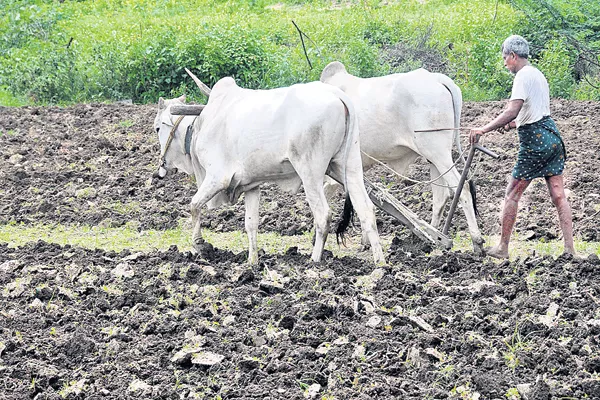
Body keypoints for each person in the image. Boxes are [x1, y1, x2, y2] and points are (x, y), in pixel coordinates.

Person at [469, 34, 575, 259]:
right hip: (552, 137)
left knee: (511, 195)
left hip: (535, 143)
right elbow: (532, 111)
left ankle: (503, 248)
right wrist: (513, 124)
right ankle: (569, 250)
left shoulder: (521, 77)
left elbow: (512, 109)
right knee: (558, 194)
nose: (505, 63)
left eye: (505, 58)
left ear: (513, 56)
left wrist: (483, 129)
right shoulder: (537, 74)